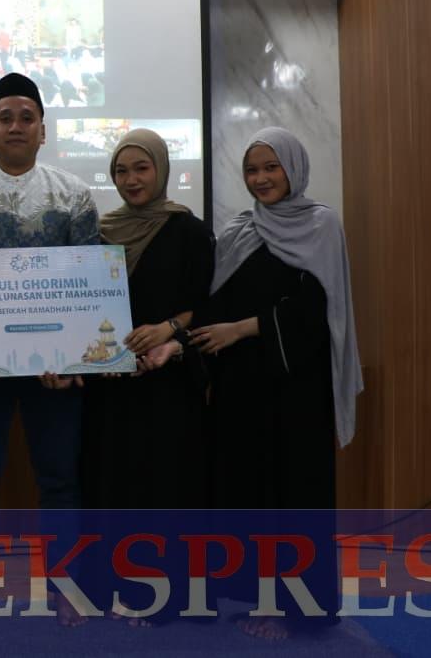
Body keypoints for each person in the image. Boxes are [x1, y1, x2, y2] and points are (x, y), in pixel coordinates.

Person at [150, 126, 362, 640]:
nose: (261, 178)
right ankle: (264, 600)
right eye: (252, 170)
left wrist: (244, 329)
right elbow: (215, 308)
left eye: (271, 167)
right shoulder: (239, 230)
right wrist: (177, 345)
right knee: (251, 497)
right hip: (242, 392)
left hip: (295, 392)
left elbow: (316, 310)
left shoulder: (320, 224)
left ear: (294, 168)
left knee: (294, 499)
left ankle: (300, 612)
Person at [0, 72, 100, 627]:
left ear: (43, 131)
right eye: (4, 117)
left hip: (55, 369)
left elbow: (85, 286)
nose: (15, 126)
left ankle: (65, 590)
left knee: (59, 478)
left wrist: (73, 359)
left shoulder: (73, 195)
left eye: (26, 117)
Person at [79, 128, 215, 625]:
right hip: (111, 389)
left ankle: (166, 596)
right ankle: (112, 587)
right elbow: (84, 307)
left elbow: (208, 305)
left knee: (165, 489)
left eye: (141, 168)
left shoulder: (190, 232)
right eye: (121, 171)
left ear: (161, 169)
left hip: (167, 387)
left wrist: (167, 330)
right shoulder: (101, 233)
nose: (131, 179)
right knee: (113, 485)